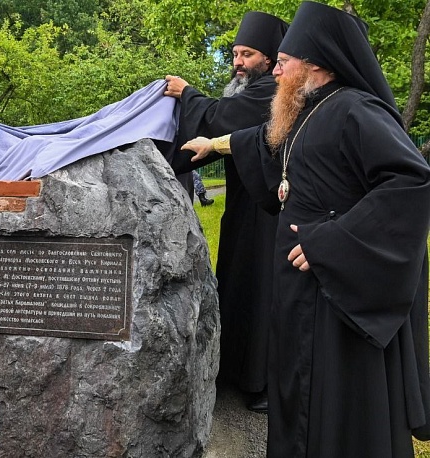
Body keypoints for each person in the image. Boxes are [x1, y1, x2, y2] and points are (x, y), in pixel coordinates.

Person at [181, 2, 430, 456]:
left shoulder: (357, 110)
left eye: (283, 63)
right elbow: (262, 142)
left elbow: (411, 181)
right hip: (301, 290)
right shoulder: (307, 112)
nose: (276, 71)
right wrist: (214, 142)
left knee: (336, 400)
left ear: (314, 64)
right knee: (297, 391)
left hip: (340, 293)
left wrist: (331, 241)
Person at [163, 11, 288, 412]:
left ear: (268, 59)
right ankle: (236, 370)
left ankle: (259, 381)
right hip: (243, 206)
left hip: (268, 213)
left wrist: (186, 93)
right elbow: (218, 133)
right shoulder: (251, 88)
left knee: (260, 288)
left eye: (247, 54)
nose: (238, 62)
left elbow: (218, 118)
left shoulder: (270, 89)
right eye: (235, 53)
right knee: (237, 282)